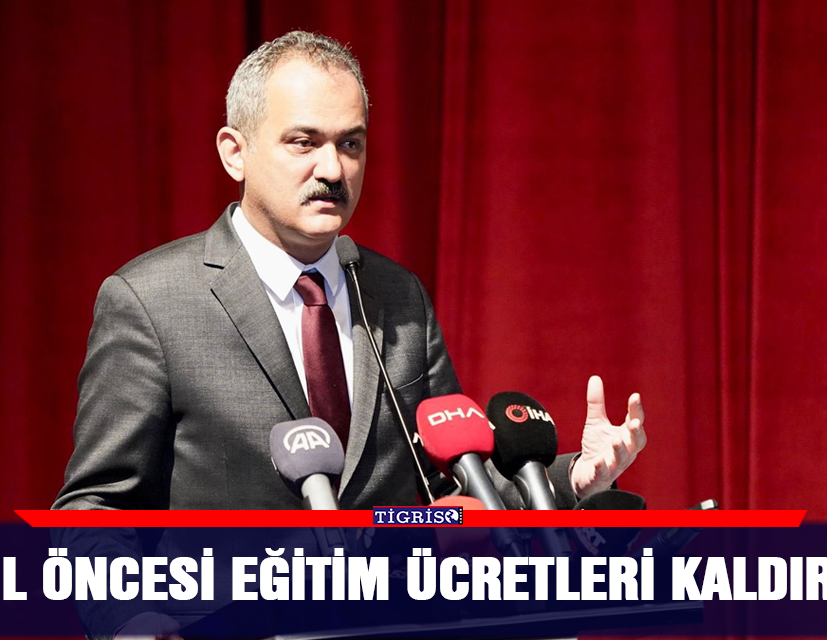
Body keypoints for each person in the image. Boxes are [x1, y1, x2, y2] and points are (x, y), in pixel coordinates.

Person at [52, 30, 647, 636]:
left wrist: (570, 477)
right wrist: (129, 615)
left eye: (350, 143)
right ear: (235, 152)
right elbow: (95, 507)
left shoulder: (396, 294)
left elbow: (457, 485)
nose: (333, 169)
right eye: (304, 142)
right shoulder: (152, 301)